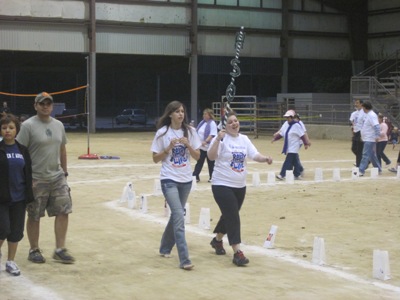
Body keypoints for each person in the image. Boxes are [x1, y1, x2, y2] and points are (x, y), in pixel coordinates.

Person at [207, 111, 273, 266]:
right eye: (230, 122)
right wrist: (217, 139)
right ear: (225, 126)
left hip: (239, 186)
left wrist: (264, 159)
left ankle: (217, 241)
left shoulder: (244, 139)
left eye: (236, 120)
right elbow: (211, 156)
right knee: (233, 217)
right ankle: (237, 252)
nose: (234, 123)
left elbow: (254, 154)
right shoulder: (221, 139)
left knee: (229, 214)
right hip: (221, 184)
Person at [16, 92, 75, 264]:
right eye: (42, 103)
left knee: (64, 211)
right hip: (36, 178)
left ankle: (59, 249)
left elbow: (62, 149)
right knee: (34, 215)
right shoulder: (27, 126)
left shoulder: (58, 125)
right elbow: (21, 151)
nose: (45, 106)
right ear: (35, 106)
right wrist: (25, 178)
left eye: (48, 103)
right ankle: (34, 249)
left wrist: (64, 173)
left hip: (57, 177)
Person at [150, 100, 201, 270]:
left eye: (182, 111)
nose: (181, 114)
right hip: (169, 179)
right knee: (179, 216)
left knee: (175, 217)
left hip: (186, 180)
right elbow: (155, 159)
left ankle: (165, 247)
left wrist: (188, 145)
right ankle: (184, 259)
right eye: (177, 111)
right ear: (170, 114)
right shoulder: (162, 133)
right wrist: (168, 149)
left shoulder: (191, 132)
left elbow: (198, 157)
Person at [0, 114, 34, 276]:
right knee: (3, 228)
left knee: (15, 232)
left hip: (19, 198)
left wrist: (29, 195)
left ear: (17, 130)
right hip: (2, 198)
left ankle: (10, 261)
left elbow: (27, 172)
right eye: (4, 128)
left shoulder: (22, 150)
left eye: (11, 128)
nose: (8, 131)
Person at [273, 110, 311, 180]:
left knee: (288, 160)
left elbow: (302, 135)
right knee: (295, 160)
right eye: (286, 118)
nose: (287, 119)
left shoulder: (297, 125)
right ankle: (297, 173)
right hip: (289, 146)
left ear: (292, 117)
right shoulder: (287, 125)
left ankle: (282, 174)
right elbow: (282, 134)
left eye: (288, 118)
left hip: (294, 146)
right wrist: (275, 138)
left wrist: (306, 143)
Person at [192, 108, 218, 182]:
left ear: (209, 115)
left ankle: (212, 177)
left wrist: (206, 141)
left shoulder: (212, 123)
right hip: (201, 147)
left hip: (209, 147)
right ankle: (195, 176)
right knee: (199, 161)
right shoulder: (202, 122)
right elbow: (197, 131)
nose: (204, 115)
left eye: (205, 114)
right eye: (203, 114)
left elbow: (212, 134)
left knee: (211, 163)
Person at [358, 101, 382, 176]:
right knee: (371, 155)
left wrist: (377, 136)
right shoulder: (368, 115)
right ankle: (378, 168)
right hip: (367, 138)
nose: (362, 109)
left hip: (370, 139)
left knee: (365, 154)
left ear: (365, 107)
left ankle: (361, 170)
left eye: (363, 108)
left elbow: (377, 126)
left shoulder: (372, 115)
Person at [349, 99, 365, 167]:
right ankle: (364, 160)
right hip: (356, 132)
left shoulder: (364, 113)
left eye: (357, 103)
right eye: (355, 103)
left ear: (361, 104)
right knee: (353, 148)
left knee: (359, 150)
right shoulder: (354, 113)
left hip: (361, 132)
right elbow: (352, 123)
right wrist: (353, 130)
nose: (356, 104)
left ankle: (359, 166)